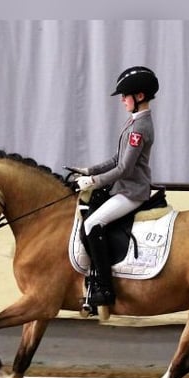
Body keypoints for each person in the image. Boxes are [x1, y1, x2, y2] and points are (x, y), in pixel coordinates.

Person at [65, 65, 159, 308]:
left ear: (139, 97)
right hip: (122, 187)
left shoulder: (139, 128)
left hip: (131, 191)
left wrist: (93, 182)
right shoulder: (134, 121)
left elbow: (125, 169)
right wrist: (89, 170)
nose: (122, 101)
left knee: (92, 224)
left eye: (124, 96)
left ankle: (104, 288)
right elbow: (117, 159)